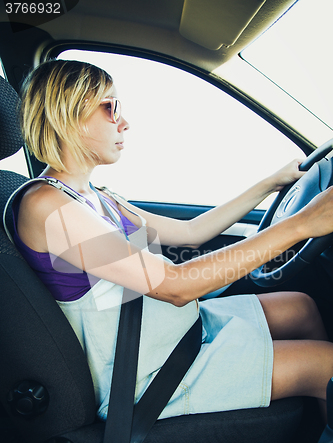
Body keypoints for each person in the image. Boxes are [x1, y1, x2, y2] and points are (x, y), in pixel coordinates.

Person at [9, 59, 333, 421]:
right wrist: (303, 223)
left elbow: (191, 233)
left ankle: (316, 434)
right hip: (143, 373)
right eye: (109, 107)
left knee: (300, 307)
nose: (124, 121)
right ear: (66, 115)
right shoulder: (46, 205)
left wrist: (271, 183)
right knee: (327, 366)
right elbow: (175, 286)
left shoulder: (96, 197)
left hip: (169, 335)